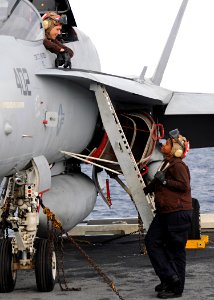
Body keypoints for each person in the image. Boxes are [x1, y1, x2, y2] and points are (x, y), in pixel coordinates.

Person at [144, 129, 192, 299]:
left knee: (176, 251)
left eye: (168, 143)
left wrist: (164, 180)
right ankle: (168, 278)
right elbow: (157, 182)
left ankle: (176, 288)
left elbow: (183, 186)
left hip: (177, 213)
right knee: (152, 242)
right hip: (166, 212)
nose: (163, 144)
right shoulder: (167, 163)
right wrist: (144, 189)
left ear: (175, 150)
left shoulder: (178, 166)